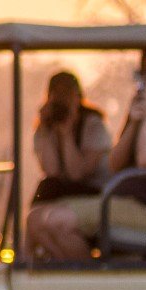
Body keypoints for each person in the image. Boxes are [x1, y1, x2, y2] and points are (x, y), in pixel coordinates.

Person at [26, 49, 146, 261]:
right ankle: (80, 283)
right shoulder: (144, 112)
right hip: (121, 201)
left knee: (56, 221)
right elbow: (115, 164)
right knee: (36, 220)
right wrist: (133, 122)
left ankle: (93, 286)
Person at [30, 70, 112, 202]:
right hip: (63, 190)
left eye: (67, 94)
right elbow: (52, 172)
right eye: (57, 94)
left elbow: (76, 175)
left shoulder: (93, 125)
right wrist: (46, 130)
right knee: (46, 187)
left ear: (78, 97)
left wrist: (67, 133)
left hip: (94, 191)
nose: (63, 100)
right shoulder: (46, 128)